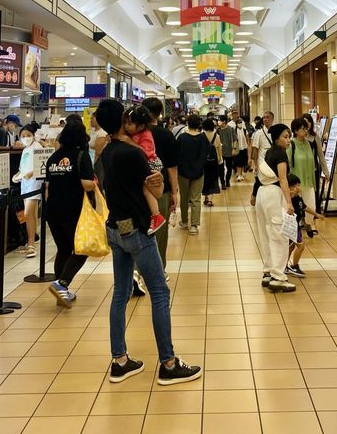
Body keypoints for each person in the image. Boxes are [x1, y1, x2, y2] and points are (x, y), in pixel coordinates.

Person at [95, 97, 202, 386]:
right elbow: (156, 187)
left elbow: (104, 185)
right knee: (159, 291)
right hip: (137, 231)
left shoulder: (106, 152)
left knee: (120, 294)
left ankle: (120, 361)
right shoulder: (132, 154)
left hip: (115, 228)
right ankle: (168, 363)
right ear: (123, 122)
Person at [45, 119, 96, 307]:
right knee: (82, 250)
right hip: (73, 210)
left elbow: (48, 186)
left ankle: (61, 292)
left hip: (53, 210)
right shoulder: (82, 156)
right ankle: (62, 284)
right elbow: (86, 183)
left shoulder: (53, 157)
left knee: (63, 249)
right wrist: (96, 185)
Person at [255, 123, 296, 293]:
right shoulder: (280, 154)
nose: (288, 140)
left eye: (289, 136)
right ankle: (278, 277)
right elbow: (283, 179)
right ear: (277, 138)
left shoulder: (270, 152)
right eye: (285, 137)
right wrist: (289, 202)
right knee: (279, 235)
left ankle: (268, 271)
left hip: (262, 194)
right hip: (273, 194)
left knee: (265, 233)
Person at [143, 97, 178, 274]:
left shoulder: (134, 135)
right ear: (160, 114)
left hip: (138, 189)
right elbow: (171, 167)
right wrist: (175, 191)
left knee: (140, 230)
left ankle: (138, 271)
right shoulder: (166, 135)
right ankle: (159, 270)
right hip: (160, 190)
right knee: (160, 232)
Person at [122, 105, 166, 235]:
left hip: (152, 164)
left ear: (141, 126)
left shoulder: (145, 134)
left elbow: (145, 153)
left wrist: (129, 142)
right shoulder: (134, 133)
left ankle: (156, 215)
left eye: (129, 124)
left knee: (147, 191)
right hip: (146, 164)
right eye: (125, 123)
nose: (126, 126)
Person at [13, 123, 43, 258]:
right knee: (30, 215)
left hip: (34, 185)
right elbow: (22, 168)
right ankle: (30, 242)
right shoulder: (25, 150)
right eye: (23, 136)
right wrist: (18, 175)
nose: (26, 138)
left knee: (28, 213)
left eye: (28, 135)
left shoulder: (37, 147)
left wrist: (31, 173)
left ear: (33, 135)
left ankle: (31, 243)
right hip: (25, 184)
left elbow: (43, 165)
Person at [286, 174, 324, 278]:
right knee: (300, 246)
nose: (297, 188)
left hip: (295, 226)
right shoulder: (286, 199)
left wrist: (316, 214)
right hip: (290, 226)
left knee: (291, 245)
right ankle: (294, 266)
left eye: (298, 185)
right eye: (293, 186)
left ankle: (284, 265)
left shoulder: (298, 198)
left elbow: (305, 207)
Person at [176, 114, 209, 234]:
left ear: (187, 124)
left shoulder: (182, 138)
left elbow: (177, 155)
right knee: (196, 199)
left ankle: (184, 222)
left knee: (184, 198)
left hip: (183, 173)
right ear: (199, 124)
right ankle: (194, 225)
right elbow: (207, 153)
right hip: (199, 172)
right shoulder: (203, 138)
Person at [289, 117, 319, 235]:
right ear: (296, 131)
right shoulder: (291, 145)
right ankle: (301, 225)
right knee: (298, 207)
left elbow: (312, 164)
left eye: (306, 128)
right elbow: (288, 164)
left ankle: (309, 224)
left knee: (311, 205)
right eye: (303, 129)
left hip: (309, 181)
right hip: (296, 183)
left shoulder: (309, 144)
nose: (306, 131)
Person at [302, 112, 330, 218]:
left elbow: (321, 156)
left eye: (309, 121)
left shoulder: (315, 137)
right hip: (301, 169)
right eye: (305, 121)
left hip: (313, 169)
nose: (307, 124)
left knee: (314, 190)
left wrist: (326, 172)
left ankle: (314, 212)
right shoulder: (298, 138)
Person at [202, 117, 223, 206]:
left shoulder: (201, 135)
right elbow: (219, 149)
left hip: (203, 162)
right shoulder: (216, 136)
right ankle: (210, 200)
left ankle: (206, 197)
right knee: (213, 179)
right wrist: (220, 159)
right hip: (214, 162)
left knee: (205, 180)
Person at [218, 114, 237, 188]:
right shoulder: (217, 130)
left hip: (229, 151)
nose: (218, 122)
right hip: (220, 152)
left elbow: (235, 139)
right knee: (220, 168)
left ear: (224, 121)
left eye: (220, 120)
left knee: (229, 167)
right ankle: (222, 183)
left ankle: (227, 180)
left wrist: (234, 149)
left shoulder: (231, 129)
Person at [233, 116, 249, 181]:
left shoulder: (245, 130)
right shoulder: (234, 130)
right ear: (236, 124)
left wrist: (248, 146)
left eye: (241, 122)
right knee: (238, 161)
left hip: (244, 148)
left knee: (243, 161)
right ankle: (239, 174)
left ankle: (241, 174)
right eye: (239, 122)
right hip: (237, 148)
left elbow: (247, 139)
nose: (240, 123)